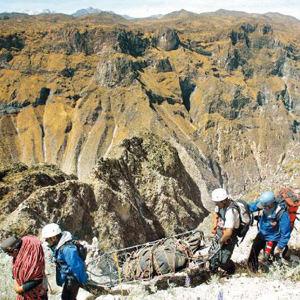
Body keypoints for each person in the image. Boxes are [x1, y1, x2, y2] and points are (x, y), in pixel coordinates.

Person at [247, 191, 291, 272]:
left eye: (265, 205)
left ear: (271, 203)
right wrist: (242, 207)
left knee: (268, 257)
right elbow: (252, 207)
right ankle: (252, 271)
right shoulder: (264, 204)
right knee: (253, 251)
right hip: (261, 235)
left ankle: (269, 273)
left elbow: (286, 232)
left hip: (273, 238)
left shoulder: (281, 213)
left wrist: (280, 246)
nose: (263, 207)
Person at [41, 223, 88, 300]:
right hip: (69, 278)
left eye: (47, 238)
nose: (46, 241)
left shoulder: (67, 249)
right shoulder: (60, 246)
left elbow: (77, 267)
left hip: (73, 279)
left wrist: (83, 280)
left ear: (54, 238)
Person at [0, 235, 48, 300]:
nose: (9, 255)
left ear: (15, 251)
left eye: (9, 253)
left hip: (36, 294)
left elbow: (38, 279)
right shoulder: (19, 256)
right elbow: (16, 274)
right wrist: (17, 281)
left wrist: (19, 289)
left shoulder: (32, 261)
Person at [209, 188, 240, 275]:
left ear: (223, 201)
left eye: (217, 202)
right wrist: (215, 227)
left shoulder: (230, 212)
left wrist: (221, 242)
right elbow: (216, 214)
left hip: (228, 237)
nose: (216, 204)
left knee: (223, 260)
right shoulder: (220, 205)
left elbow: (229, 232)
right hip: (220, 232)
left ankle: (231, 270)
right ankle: (213, 274)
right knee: (212, 255)